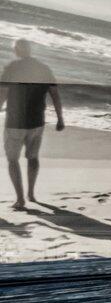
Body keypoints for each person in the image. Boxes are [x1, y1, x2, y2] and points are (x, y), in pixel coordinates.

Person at [2, 39, 63, 211]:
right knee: (33, 158)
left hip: (15, 122)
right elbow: (55, 95)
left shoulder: (12, 68)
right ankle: (31, 194)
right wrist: (60, 118)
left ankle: (20, 199)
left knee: (13, 160)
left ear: (17, 50)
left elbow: (2, 94)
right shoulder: (44, 69)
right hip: (36, 122)